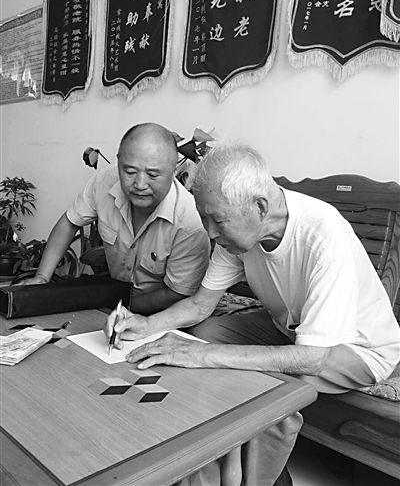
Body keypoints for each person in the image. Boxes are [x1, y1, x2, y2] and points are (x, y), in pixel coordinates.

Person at [104, 141, 400, 486]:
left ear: (260, 206)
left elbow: (312, 358)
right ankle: (186, 442)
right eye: (205, 219)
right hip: (292, 330)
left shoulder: (323, 235)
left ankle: (259, 479)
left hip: (357, 348)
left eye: (217, 221)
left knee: (267, 387)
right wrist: (146, 324)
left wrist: (204, 357)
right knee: (204, 334)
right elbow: (201, 305)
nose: (211, 233)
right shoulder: (238, 231)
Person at [20, 123, 210, 315]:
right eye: (129, 172)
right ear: (119, 162)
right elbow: (69, 223)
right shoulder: (104, 181)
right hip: (114, 297)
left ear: (174, 170)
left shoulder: (190, 222)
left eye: (153, 175)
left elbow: (175, 293)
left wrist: (123, 310)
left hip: (162, 312)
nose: (140, 184)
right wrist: (42, 277)